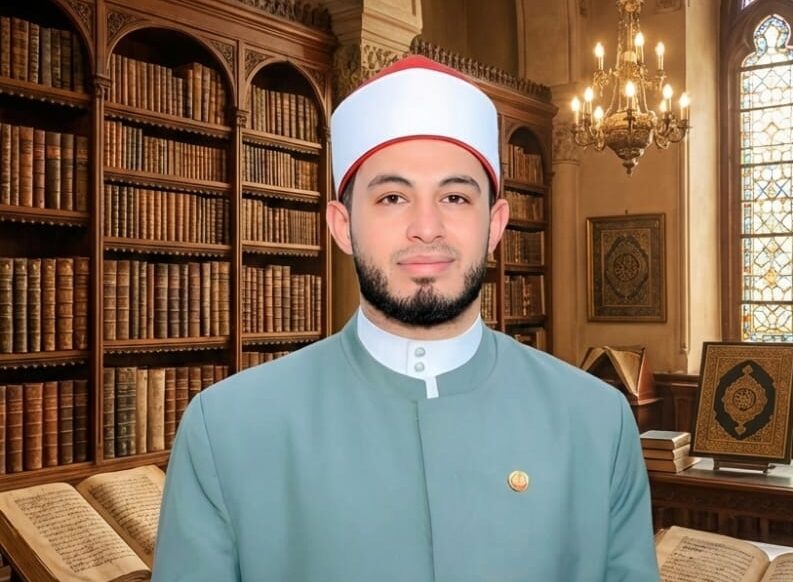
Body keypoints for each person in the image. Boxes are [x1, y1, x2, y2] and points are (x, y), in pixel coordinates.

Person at [152, 55, 660, 581]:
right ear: (343, 226)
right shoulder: (227, 429)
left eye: (455, 197)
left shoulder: (597, 423)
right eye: (393, 197)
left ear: (494, 225)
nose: (426, 227)